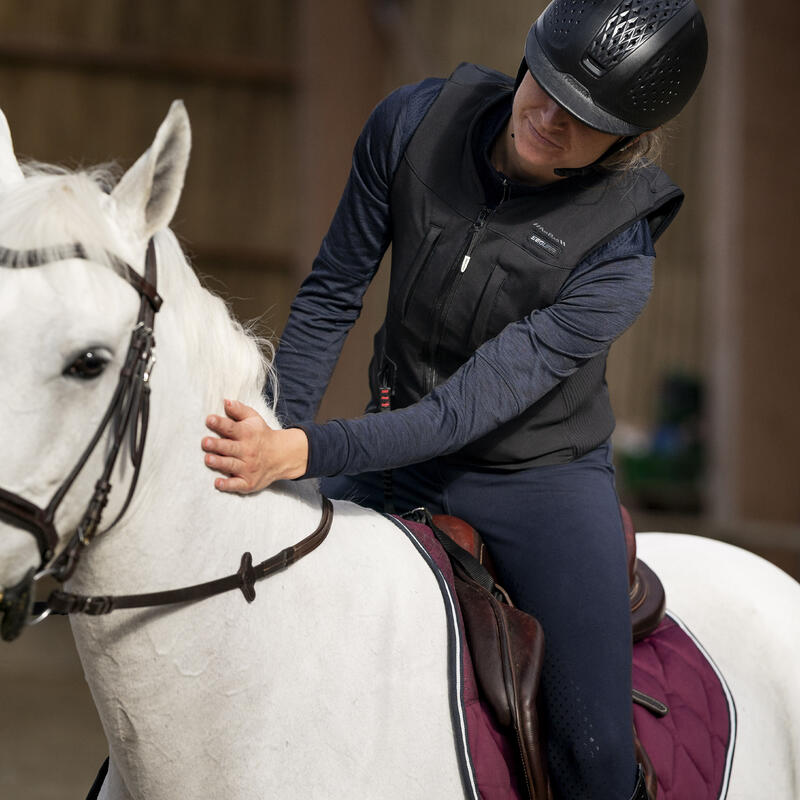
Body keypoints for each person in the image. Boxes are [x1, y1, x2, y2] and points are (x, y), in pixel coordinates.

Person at [201, 2, 708, 798]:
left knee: (598, 752)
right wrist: (271, 426)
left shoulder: (621, 255)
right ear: (528, 56)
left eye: (586, 117)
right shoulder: (409, 123)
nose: (550, 118)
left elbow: (459, 414)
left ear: (627, 142)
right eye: (547, 86)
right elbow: (334, 292)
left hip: (535, 480)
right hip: (391, 443)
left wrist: (306, 452)